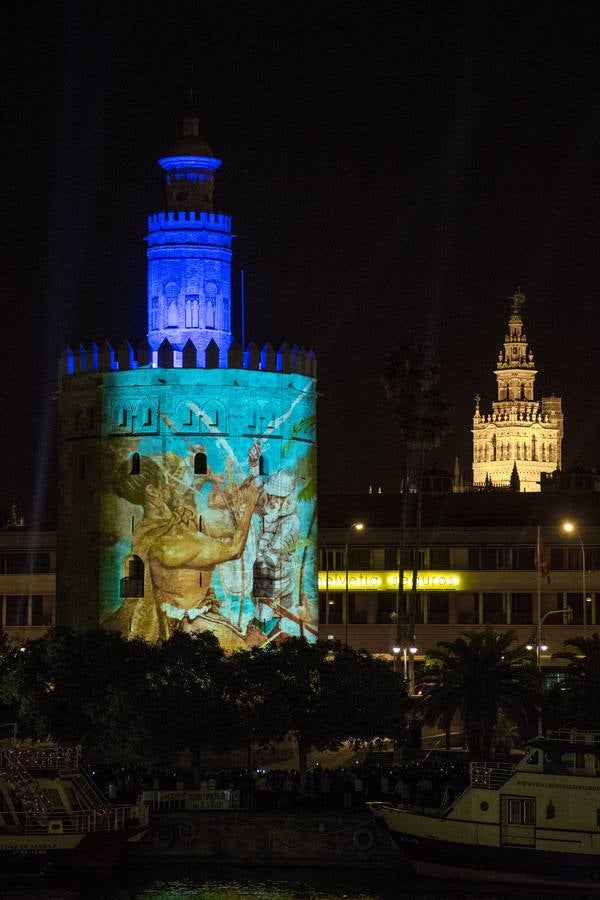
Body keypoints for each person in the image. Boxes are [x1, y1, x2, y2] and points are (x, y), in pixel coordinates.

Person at [104, 456, 258, 643]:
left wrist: (206, 482)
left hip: (197, 614)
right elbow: (234, 549)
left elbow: (215, 529)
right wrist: (250, 504)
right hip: (192, 625)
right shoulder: (168, 543)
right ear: (153, 491)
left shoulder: (155, 528)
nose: (169, 484)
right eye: (164, 481)